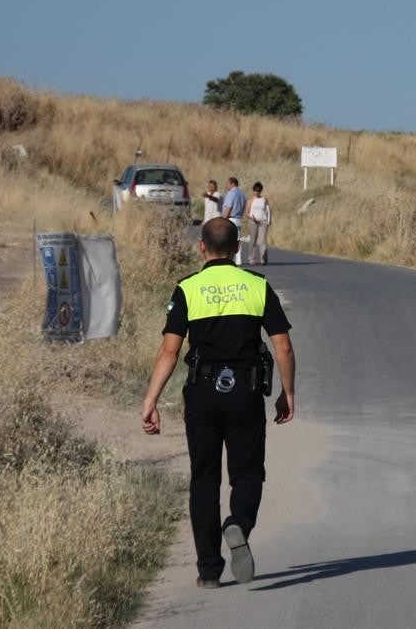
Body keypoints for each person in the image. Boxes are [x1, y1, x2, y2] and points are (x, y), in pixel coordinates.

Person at [140, 217, 296, 589]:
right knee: (247, 473)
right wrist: (287, 393)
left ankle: (209, 570)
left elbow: (169, 350)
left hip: (202, 393)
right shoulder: (257, 285)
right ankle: (238, 522)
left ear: (201, 247)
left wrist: (150, 400)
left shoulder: (187, 288)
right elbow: (283, 346)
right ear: (237, 248)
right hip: (244, 394)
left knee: (204, 479)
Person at [221, 178, 248, 265]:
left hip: (231, 218)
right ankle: (239, 260)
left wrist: (224, 219)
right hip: (239, 219)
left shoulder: (231, 193)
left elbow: (229, 207)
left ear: (232, 183)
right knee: (238, 240)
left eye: (227, 184)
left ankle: (229, 259)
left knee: (228, 240)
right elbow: (244, 207)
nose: (227, 186)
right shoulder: (242, 194)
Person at [246, 182, 271, 266]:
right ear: (253, 190)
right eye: (255, 190)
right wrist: (251, 217)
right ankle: (251, 259)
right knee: (253, 240)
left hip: (263, 221)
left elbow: (268, 210)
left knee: (262, 241)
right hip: (253, 222)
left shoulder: (264, 199)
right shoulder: (250, 200)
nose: (257, 192)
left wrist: (268, 221)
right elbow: (247, 212)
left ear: (261, 191)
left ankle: (264, 259)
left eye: (259, 190)